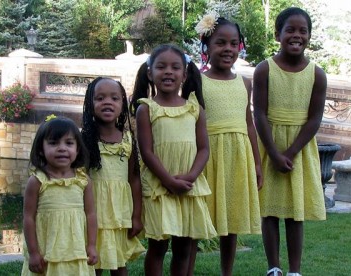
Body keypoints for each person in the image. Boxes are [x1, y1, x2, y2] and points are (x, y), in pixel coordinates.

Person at [129, 44, 217, 276]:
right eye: (161, 67)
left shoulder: (194, 109)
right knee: (158, 247)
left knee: (184, 248)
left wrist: (190, 177)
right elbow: (146, 152)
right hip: (160, 187)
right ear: (150, 74)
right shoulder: (146, 109)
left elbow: (204, 149)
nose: (168, 72)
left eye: (175, 67)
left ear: (184, 75)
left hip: (189, 186)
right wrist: (169, 181)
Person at [252, 7, 327, 276]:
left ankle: (295, 270)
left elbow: (314, 118)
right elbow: (258, 113)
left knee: (296, 212)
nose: (297, 35)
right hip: (270, 144)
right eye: (290, 30)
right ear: (278, 34)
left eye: (302, 31)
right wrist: (273, 153)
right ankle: (274, 267)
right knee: (269, 210)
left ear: (309, 36)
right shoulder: (264, 70)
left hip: (300, 148)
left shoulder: (317, 74)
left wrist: (292, 152)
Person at [194, 13, 263, 276]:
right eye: (220, 43)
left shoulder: (245, 82)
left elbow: (249, 124)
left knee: (231, 219)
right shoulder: (197, 81)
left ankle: (227, 272)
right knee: (199, 216)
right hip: (208, 155)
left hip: (237, 156)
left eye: (234, 44)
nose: (228, 49)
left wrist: (256, 162)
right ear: (207, 47)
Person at [81, 77, 145, 275]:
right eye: (100, 98)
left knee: (119, 264)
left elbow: (134, 179)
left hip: (119, 213)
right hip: (93, 212)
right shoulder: (84, 139)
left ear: (122, 105)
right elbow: (79, 177)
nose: (107, 102)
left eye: (114, 98)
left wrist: (136, 216)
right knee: (94, 263)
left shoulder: (127, 138)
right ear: (90, 105)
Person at [22, 117, 98, 276]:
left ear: (77, 150)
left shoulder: (83, 181)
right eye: (53, 143)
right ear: (41, 149)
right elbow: (28, 218)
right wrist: (34, 253)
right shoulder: (37, 181)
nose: (62, 148)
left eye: (69, 143)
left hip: (75, 249)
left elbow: (91, 214)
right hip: (47, 250)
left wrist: (91, 245)